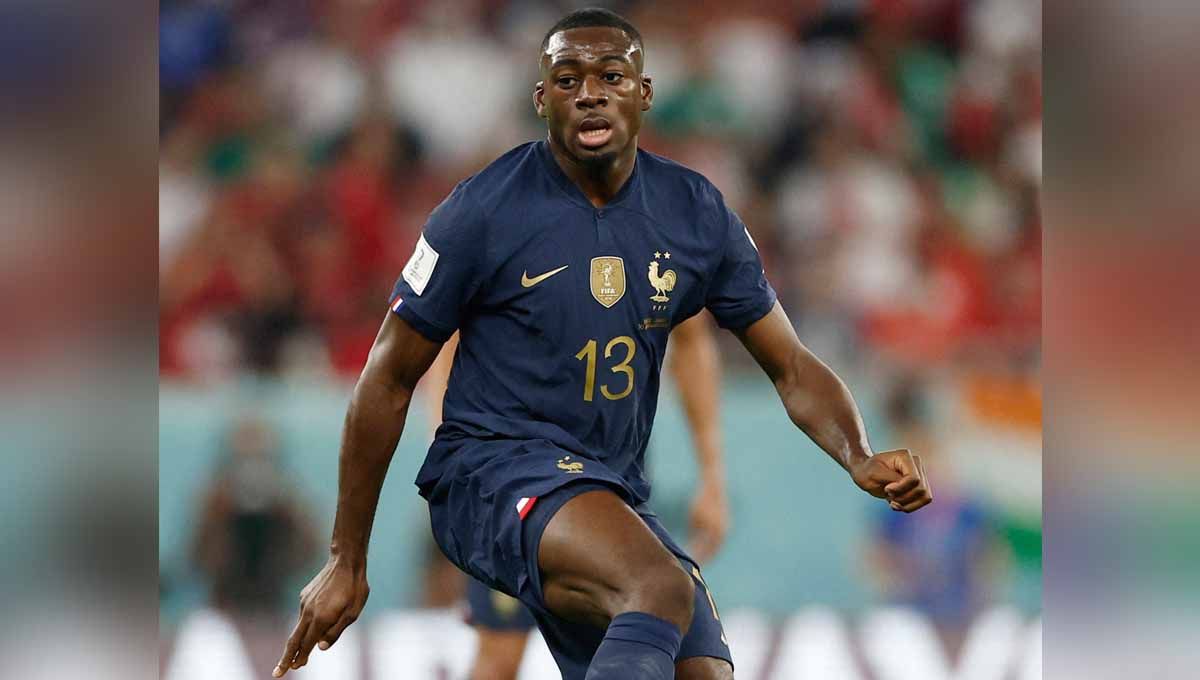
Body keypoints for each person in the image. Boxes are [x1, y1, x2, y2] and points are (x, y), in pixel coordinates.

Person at [273, 8, 932, 680]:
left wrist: (858, 454)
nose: (589, 91)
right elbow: (385, 377)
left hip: (607, 489)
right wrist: (347, 558)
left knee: (701, 670)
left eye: (611, 75)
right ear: (541, 100)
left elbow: (790, 365)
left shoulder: (695, 214)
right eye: (567, 78)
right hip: (490, 475)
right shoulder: (482, 211)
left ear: (643, 93)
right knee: (653, 589)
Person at [463, 313, 729, 680]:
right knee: (500, 657)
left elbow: (692, 339)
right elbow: (452, 340)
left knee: (678, 656)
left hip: (615, 491)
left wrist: (712, 475)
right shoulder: (505, 257)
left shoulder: (665, 256)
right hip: (518, 484)